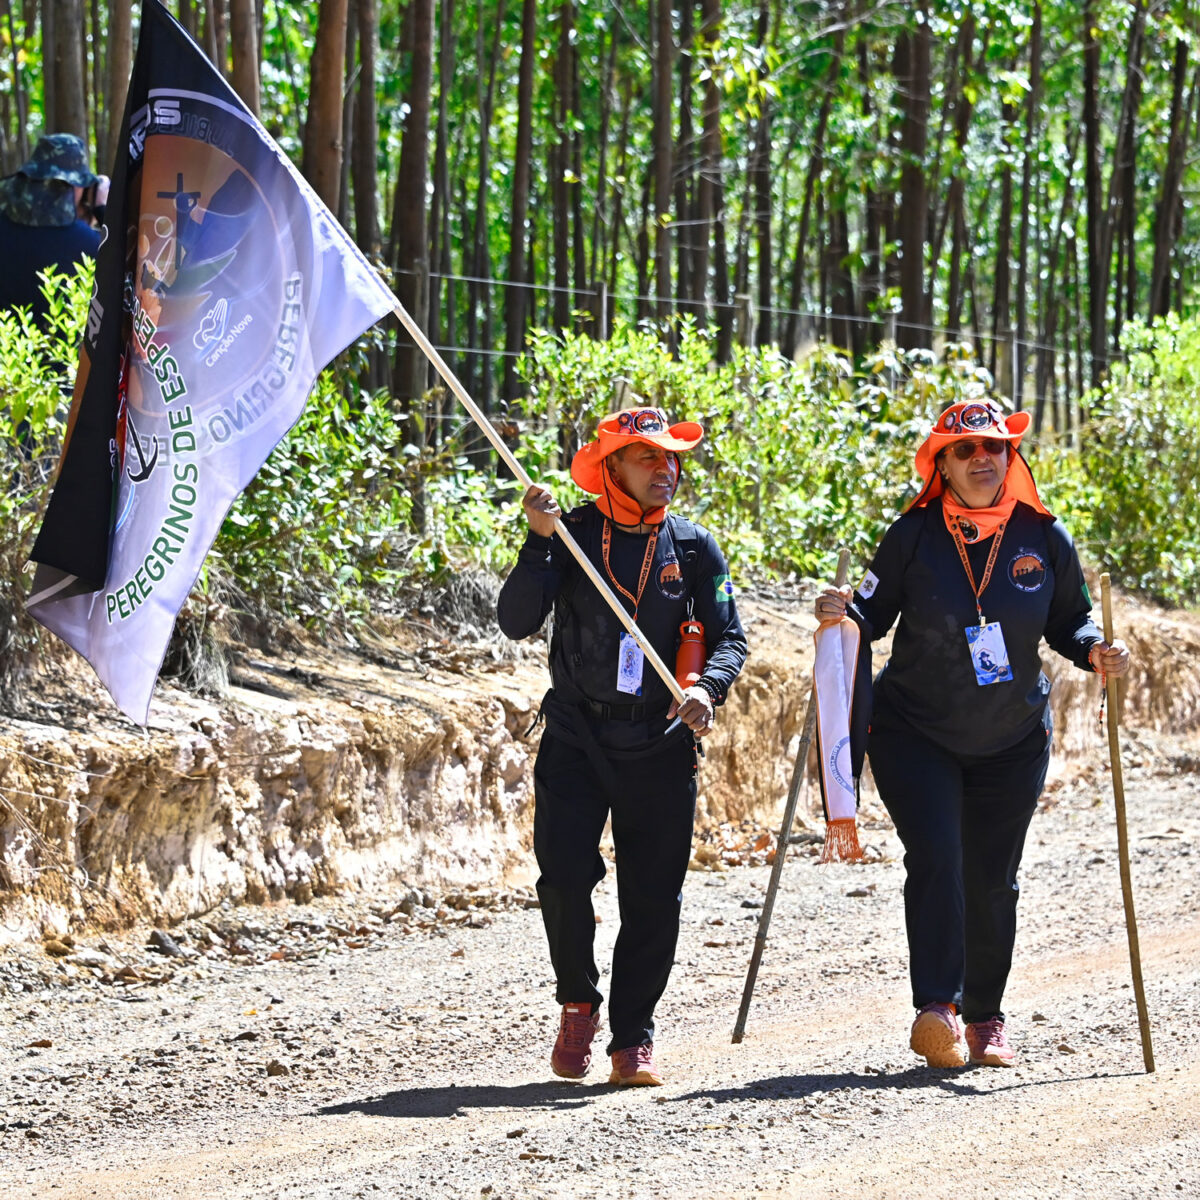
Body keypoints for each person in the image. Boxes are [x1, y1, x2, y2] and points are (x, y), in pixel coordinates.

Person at [815, 399, 1130, 1069]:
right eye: (965, 449)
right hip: (915, 731)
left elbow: (1069, 621)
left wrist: (1096, 649)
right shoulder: (913, 535)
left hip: (1013, 738)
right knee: (936, 856)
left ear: (1010, 457)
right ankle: (938, 1008)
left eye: (994, 446)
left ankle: (985, 1015)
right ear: (943, 464)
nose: (982, 457)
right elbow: (868, 616)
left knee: (993, 879)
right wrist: (840, 615)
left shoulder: (1044, 536)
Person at [497, 406, 748, 1086]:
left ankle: (633, 1037)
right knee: (563, 878)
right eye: (648, 458)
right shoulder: (571, 534)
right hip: (576, 737)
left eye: (671, 459)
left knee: (653, 897)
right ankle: (578, 1002)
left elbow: (729, 637)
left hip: (661, 744)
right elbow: (516, 620)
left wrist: (709, 689)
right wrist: (536, 541)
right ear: (611, 468)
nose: (666, 469)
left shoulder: (694, 548)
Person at [0, 134, 108, 325]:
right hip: (63, 343)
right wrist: (102, 210)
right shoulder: (88, 243)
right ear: (76, 185)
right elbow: (125, 274)